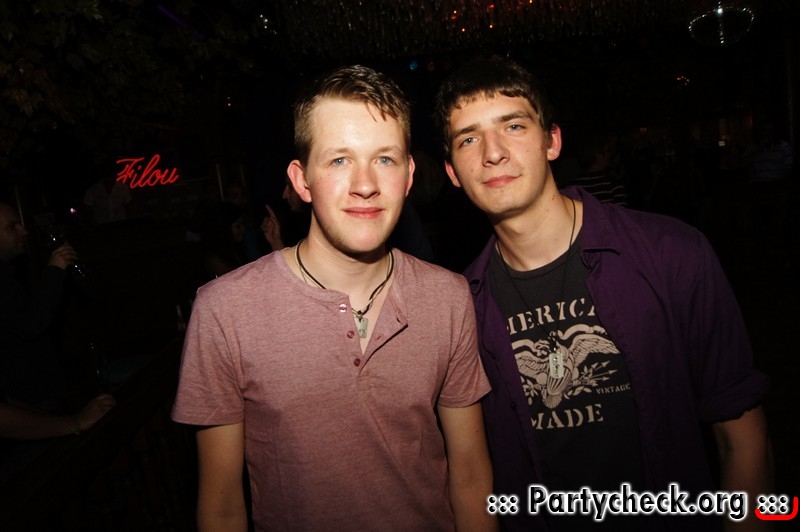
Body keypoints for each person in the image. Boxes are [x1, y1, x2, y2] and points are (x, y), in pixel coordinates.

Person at [435, 56, 772, 531]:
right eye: (468, 138)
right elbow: (474, 477)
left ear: (552, 141)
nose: (493, 152)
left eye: (513, 126)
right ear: (453, 172)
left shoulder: (672, 254)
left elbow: (743, 439)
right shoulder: (460, 308)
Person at [172, 65, 496, 531]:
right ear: (301, 180)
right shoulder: (225, 311)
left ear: (408, 176)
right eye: (340, 160)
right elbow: (222, 508)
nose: (365, 184)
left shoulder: (448, 297)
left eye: (384, 159)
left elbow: (470, 475)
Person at [0, 201, 78, 412]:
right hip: (28, 397)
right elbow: (30, 323)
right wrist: (54, 271)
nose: (23, 231)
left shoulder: (8, 274)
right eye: (12, 226)